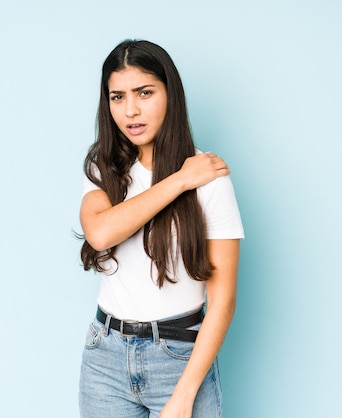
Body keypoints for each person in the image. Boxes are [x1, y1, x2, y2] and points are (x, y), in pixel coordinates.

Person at [78, 39, 244, 418]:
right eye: (117, 97)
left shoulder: (210, 178)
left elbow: (223, 302)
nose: (131, 110)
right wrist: (179, 181)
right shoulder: (103, 168)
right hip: (104, 355)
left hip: (179, 357)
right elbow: (100, 234)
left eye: (145, 93)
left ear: (171, 94)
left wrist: (185, 396)